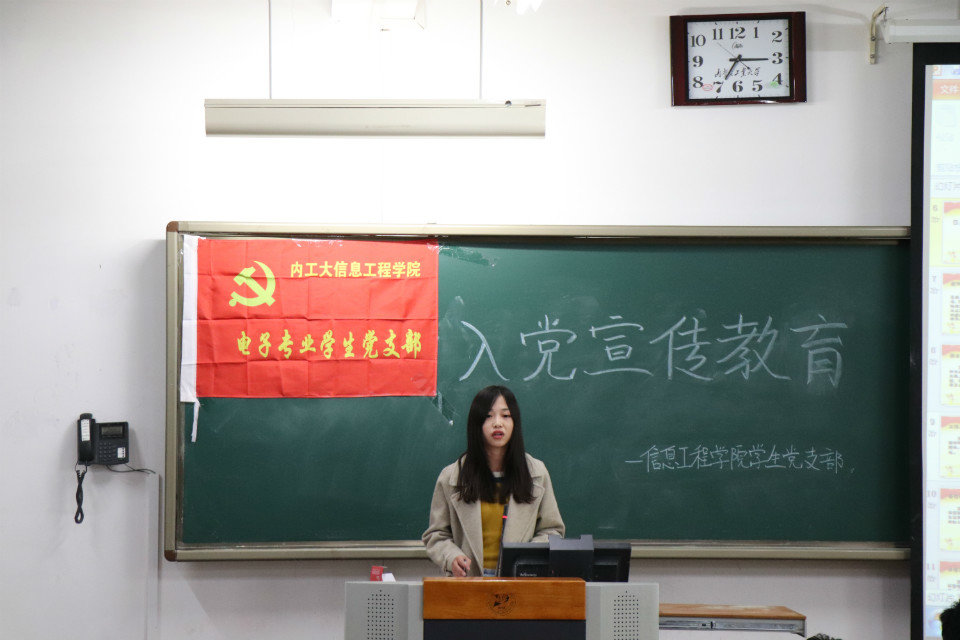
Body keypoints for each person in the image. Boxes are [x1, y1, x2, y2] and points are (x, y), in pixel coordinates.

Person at [422, 385, 565, 577]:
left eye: (506, 416)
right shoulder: (451, 477)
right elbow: (436, 535)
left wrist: (526, 558)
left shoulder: (536, 473)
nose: (498, 423)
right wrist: (451, 557)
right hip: (467, 583)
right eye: (488, 416)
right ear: (476, 424)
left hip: (520, 584)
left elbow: (552, 531)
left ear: (515, 422)